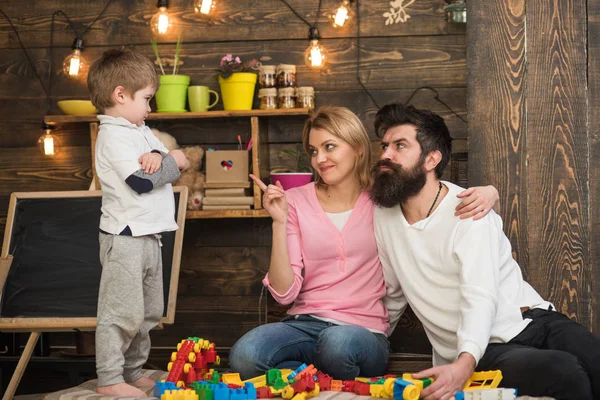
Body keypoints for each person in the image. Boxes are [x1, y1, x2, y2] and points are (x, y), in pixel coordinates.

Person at [229, 106, 499, 380]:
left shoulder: (385, 196)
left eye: (329, 146)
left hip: (362, 332)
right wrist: (278, 221)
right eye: (313, 151)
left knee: (337, 345)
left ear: (358, 148)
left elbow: (430, 194)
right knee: (245, 355)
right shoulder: (294, 201)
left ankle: (308, 377)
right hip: (304, 325)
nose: (319, 159)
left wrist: (491, 193)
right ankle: (309, 379)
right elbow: (284, 294)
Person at [371, 103, 600, 400]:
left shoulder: (469, 209)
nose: (386, 154)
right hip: (483, 349)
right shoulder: (384, 217)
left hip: (534, 319)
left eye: (400, 145)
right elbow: (392, 293)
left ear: (431, 159)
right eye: (385, 145)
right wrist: (372, 342)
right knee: (565, 371)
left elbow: (480, 293)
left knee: (594, 358)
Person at [88, 48, 189, 397]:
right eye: (147, 99)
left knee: (147, 312)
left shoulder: (139, 129)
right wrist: (176, 159)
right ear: (120, 94)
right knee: (121, 312)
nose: (150, 108)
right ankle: (110, 378)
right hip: (126, 236)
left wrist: (163, 156)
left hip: (150, 235)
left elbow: (158, 162)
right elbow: (142, 181)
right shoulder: (113, 136)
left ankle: (132, 370)